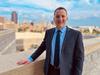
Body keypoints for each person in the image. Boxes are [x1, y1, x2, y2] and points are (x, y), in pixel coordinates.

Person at [17, 7, 84, 75]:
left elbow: (79, 59)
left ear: (67, 18)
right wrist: (30, 59)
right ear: (54, 18)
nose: (60, 19)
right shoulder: (49, 33)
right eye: (57, 16)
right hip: (50, 71)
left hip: (66, 72)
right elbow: (41, 48)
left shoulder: (76, 35)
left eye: (63, 16)